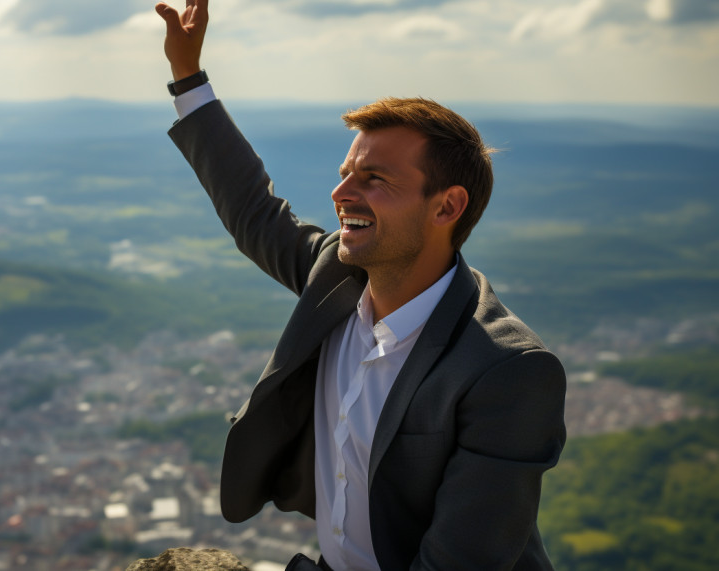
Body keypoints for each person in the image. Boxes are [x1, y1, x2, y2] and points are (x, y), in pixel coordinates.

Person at [155, 1, 567, 569]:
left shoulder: (508, 370)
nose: (342, 193)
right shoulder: (337, 278)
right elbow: (254, 210)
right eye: (347, 172)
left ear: (447, 206)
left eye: (373, 179)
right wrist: (188, 77)